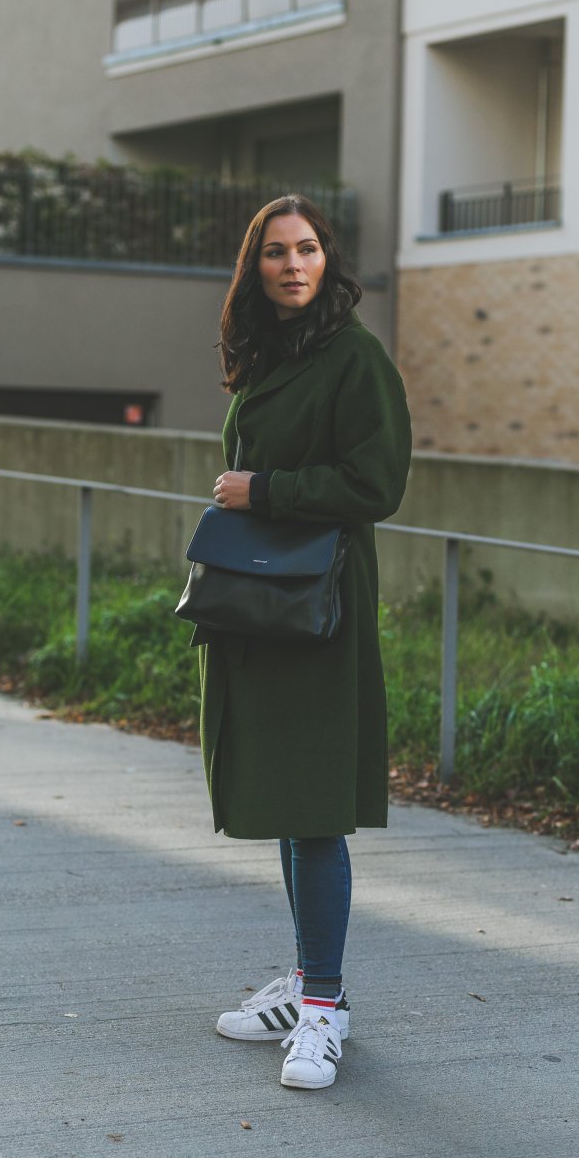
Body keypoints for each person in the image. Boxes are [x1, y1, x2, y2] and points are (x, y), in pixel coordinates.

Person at [193, 194, 412, 1090]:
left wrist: (264, 491)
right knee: (287, 798)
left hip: (317, 607)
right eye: (277, 252)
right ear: (257, 268)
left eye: (309, 249)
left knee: (315, 806)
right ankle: (310, 980)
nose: (294, 264)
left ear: (329, 261)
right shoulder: (267, 356)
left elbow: (378, 481)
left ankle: (321, 1008)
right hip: (261, 602)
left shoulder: (355, 358)